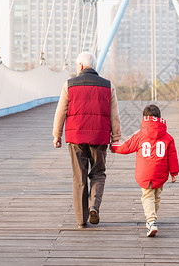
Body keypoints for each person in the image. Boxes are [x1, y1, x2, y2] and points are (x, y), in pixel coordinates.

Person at [52, 52, 121, 229]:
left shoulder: (69, 85)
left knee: (79, 177)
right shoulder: (108, 86)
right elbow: (115, 116)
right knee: (98, 173)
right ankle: (93, 207)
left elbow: (60, 112)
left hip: (76, 138)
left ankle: (81, 219)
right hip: (100, 137)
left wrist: (57, 135)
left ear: (81, 66)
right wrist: (116, 139)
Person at [110, 104, 179, 237]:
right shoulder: (168, 137)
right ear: (160, 118)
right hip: (161, 172)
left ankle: (151, 221)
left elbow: (126, 146)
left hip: (145, 172)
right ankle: (152, 219)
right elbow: (172, 155)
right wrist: (174, 172)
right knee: (156, 196)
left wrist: (113, 146)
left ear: (144, 118)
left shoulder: (140, 135)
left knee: (147, 195)